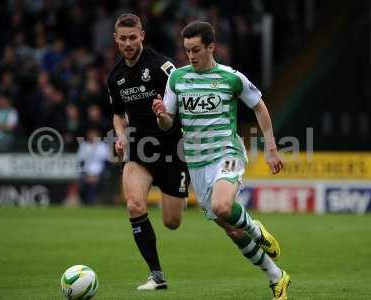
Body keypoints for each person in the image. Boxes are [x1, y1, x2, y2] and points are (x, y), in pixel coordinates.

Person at [152, 21, 290, 300]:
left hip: (227, 152)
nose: (191, 56)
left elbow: (259, 107)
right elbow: (167, 124)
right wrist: (160, 115)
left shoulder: (230, 78)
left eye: (196, 49)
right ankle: (277, 276)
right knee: (230, 229)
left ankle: (257, 229)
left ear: (211, 47)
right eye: (187, 50)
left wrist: (271, 148)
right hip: (196, 163)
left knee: (223, 205)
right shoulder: (177, 79)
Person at [107, 13, 189, 290]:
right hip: (139, 148)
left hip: (171, 149)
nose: (128, 43)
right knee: (134, 205)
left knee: (172, 222)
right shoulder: (115, 77)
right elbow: (118, 115)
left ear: (142, 36)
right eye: (123, 38)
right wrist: (120, 137)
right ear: (115, 39)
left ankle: (178, 193)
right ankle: (156, 276)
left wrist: (164, 115)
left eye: (133, 37)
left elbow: (181, 105)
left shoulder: (162, 66)